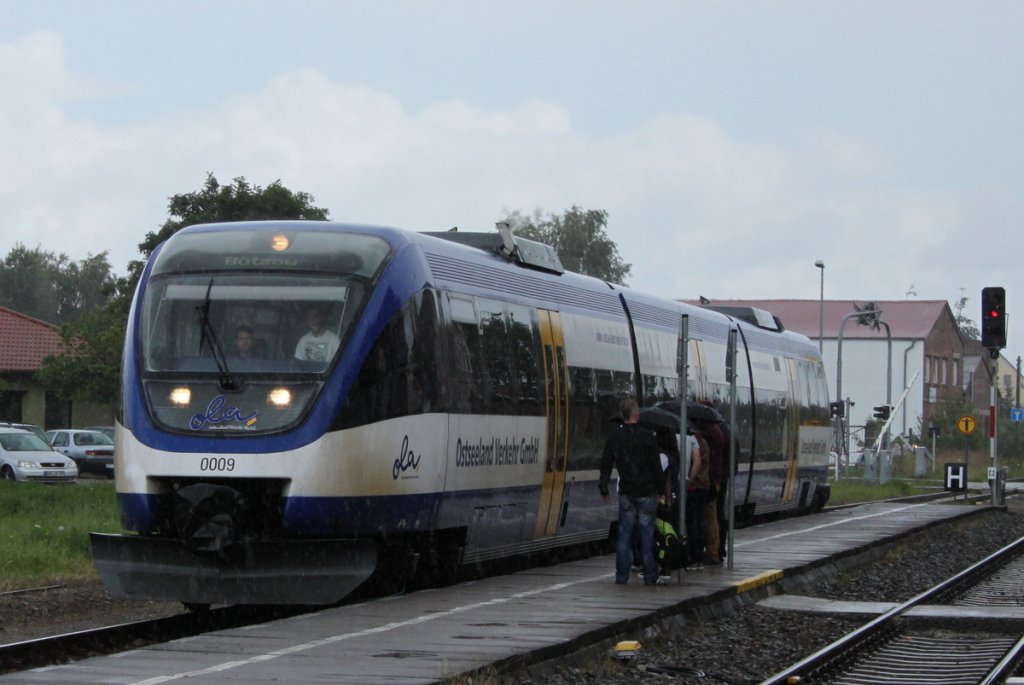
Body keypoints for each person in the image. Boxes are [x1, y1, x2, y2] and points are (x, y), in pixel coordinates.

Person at [599, 398, 666, 586]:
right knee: (647, 534)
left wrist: (603, 486)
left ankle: (621, 575)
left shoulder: (615, 436)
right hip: (646, 492)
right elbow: (656, 466)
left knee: (625, 535)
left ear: (623, 414)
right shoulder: (648, 436)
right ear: (636, 413)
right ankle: (650, 574)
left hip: (627, 491)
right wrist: (660, 490)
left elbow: (606, 462)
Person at [684, 428, 711, 571]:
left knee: (692, 523)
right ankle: (699, 555)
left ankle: (693, 555)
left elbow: (697, 463)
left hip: (694, 487)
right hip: (704, 487)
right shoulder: (704, 442)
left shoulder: (692, 441)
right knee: (699, 522)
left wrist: (689, 480)